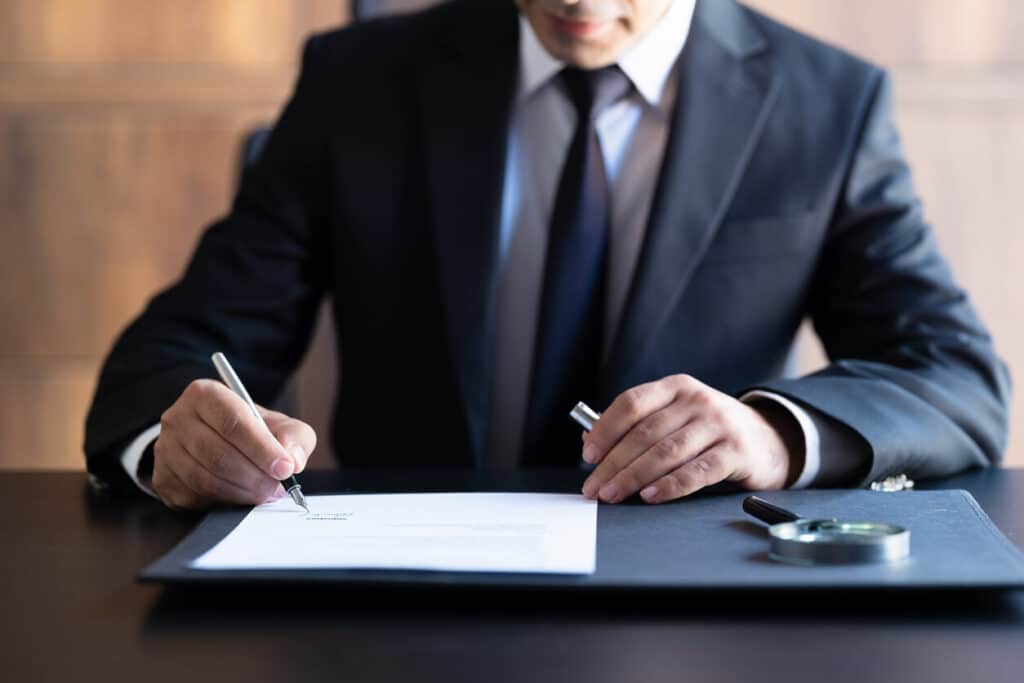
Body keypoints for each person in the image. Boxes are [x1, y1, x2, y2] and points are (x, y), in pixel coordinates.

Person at [84, 0, 1010, 510]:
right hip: (399, 607)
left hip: (699, 607)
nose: (579, 1)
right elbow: (164, 361)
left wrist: (771, 434)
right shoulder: (355, 84)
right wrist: (177, 442)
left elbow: (957, 378)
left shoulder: (829, 105)